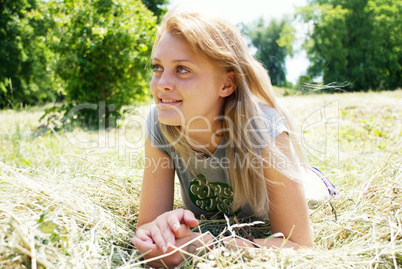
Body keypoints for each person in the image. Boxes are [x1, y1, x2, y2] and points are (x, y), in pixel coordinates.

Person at [131, 4, 337, 268]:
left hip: (310, 188)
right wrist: (160, 232)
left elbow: (298, 245)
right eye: (158, 67)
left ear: (226, 84)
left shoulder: (264, 129)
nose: (161, 84)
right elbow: (147, 228)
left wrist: (206, 245)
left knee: (308, 181)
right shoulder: (160, 124)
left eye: (182, 69)